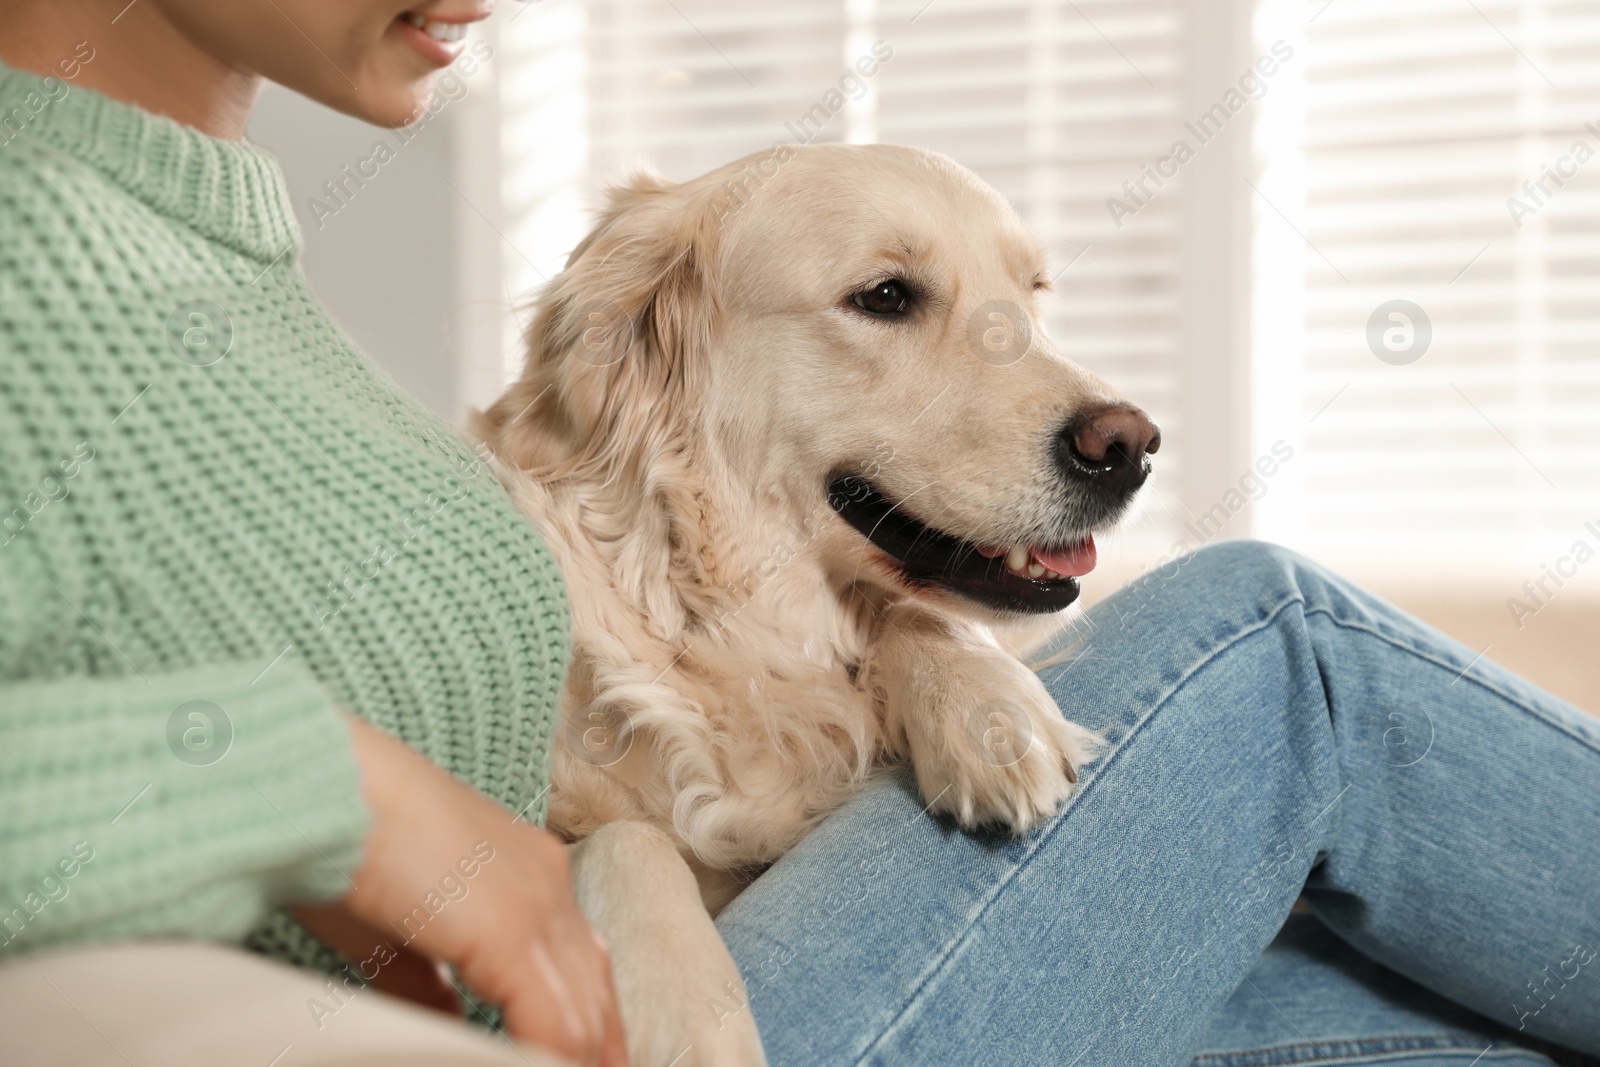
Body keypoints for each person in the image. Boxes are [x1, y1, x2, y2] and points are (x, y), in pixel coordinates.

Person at [0, 3, 1594, 1066]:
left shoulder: (221, 265)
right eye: (888, 302)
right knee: (1275, 648)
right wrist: (323, 787)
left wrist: (912, 648)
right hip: (660, 1023)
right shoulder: (30, 245)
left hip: (714, 958)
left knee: (1449, 1025)